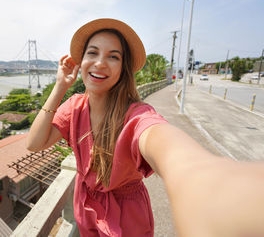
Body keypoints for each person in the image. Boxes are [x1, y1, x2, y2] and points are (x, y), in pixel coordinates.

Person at [26, 18, 264, 237]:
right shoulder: (74, 107)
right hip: (86, 206)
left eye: (113, 56)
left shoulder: (136, 115)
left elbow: (160, 138)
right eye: (93, 52)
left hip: (126, 217)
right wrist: (60, 86)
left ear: (123, 69)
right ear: (83, 60)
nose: (99, 63)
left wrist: (203, 179)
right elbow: (34, 143)